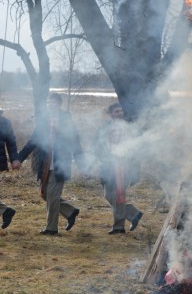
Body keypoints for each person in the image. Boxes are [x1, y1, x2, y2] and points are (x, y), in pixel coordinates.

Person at [18, 93, 84, 235]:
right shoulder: (43, 120)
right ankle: (70, 211)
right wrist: (19, 157)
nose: (50, 104)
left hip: (60, 163)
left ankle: (51, 228)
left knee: (52, 196)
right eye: (49, 102)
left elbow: (75, 140)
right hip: (45, 163)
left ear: (59, 104)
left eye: (53, 102)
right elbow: (33, 141)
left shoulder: (66, 119)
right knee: (45, 194)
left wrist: (81, 161)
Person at [96, 103, 142, 235]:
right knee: (108, 195)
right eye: (117, 111)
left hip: (124, 166)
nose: (120, 113)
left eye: (121, 111)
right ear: (111, 114)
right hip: (108, 166)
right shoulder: (105, 128)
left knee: (118, 195)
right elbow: (98, 144)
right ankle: (133, 214)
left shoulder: (129, 128)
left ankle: (118, 227)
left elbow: (135, 149)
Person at [0, 109, 20, 229]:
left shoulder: (5, 122)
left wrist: (15, 159)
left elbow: (11, 143)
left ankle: (5, 211)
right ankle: (5, 211)